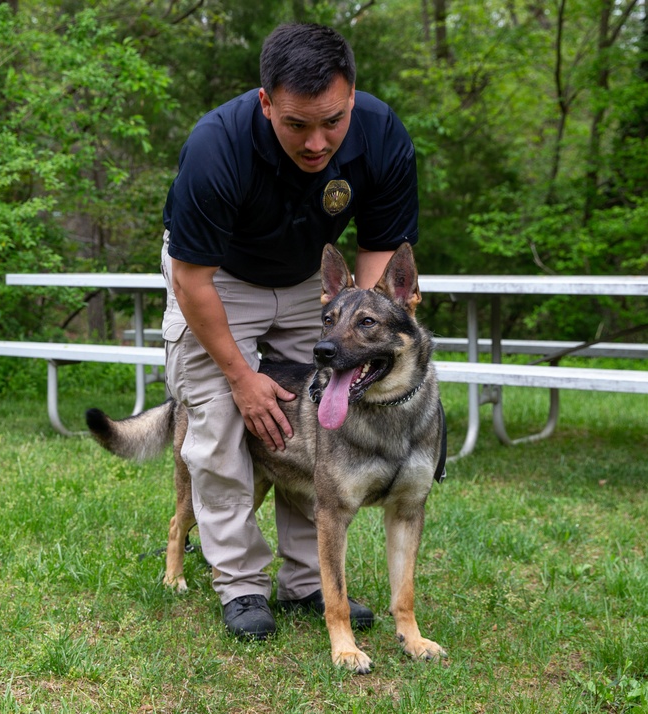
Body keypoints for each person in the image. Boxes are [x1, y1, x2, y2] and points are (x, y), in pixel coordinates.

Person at [159, 22, 419, 640]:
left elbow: (379, 263)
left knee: (317, 418)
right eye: (296, 125)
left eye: (331, 121)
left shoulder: (382, 136)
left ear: (352, 97)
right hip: (217, 280)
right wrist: (242, 378)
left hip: (310, 283)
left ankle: (308, 582)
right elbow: (192, 280)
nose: (316, 142)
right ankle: (242, 585)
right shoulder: (215, 145)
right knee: (222, 422)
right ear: (265, 102)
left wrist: (364, 335)